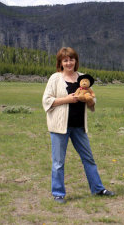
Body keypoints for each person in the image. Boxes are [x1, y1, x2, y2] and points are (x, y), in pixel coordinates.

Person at [42, 47, 115, 204]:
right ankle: (58, 193)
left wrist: (88, 100)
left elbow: (92, 100)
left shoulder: (83, 78)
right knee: (58, 162)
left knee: (88, 158)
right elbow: (46, 101)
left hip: (79, 127)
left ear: (76, 61)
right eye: (65, 60)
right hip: (59, 127)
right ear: (60, 63)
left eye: (71, 59)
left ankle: (97, 188)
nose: (69, 63)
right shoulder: (55, 78)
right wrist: (67, 99)